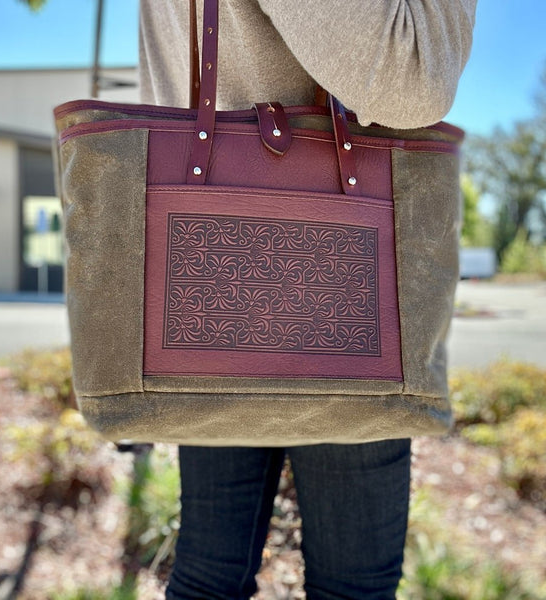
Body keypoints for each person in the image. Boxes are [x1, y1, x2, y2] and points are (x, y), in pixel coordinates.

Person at [138, 2, 476, 599]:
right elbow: (411, 78)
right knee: (351, 587)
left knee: (209, 576)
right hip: (342, 282)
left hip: (214, 277)